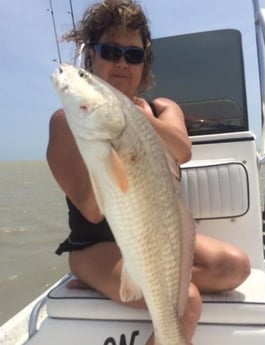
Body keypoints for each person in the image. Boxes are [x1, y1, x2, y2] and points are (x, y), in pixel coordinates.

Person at [47, 0, 251, 343]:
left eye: (133, 55)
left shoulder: (162, 109)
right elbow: (93, 210)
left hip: (154, 237)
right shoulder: (68, 121)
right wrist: (106, 133)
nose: (122, 63)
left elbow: (181, 150)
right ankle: (100, 276)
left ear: (146, 62)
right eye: (110, 51)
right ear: (91, 57)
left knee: (236, 266)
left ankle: (136, 280)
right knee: (184, 301)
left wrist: (128, 117)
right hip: (96, 245)